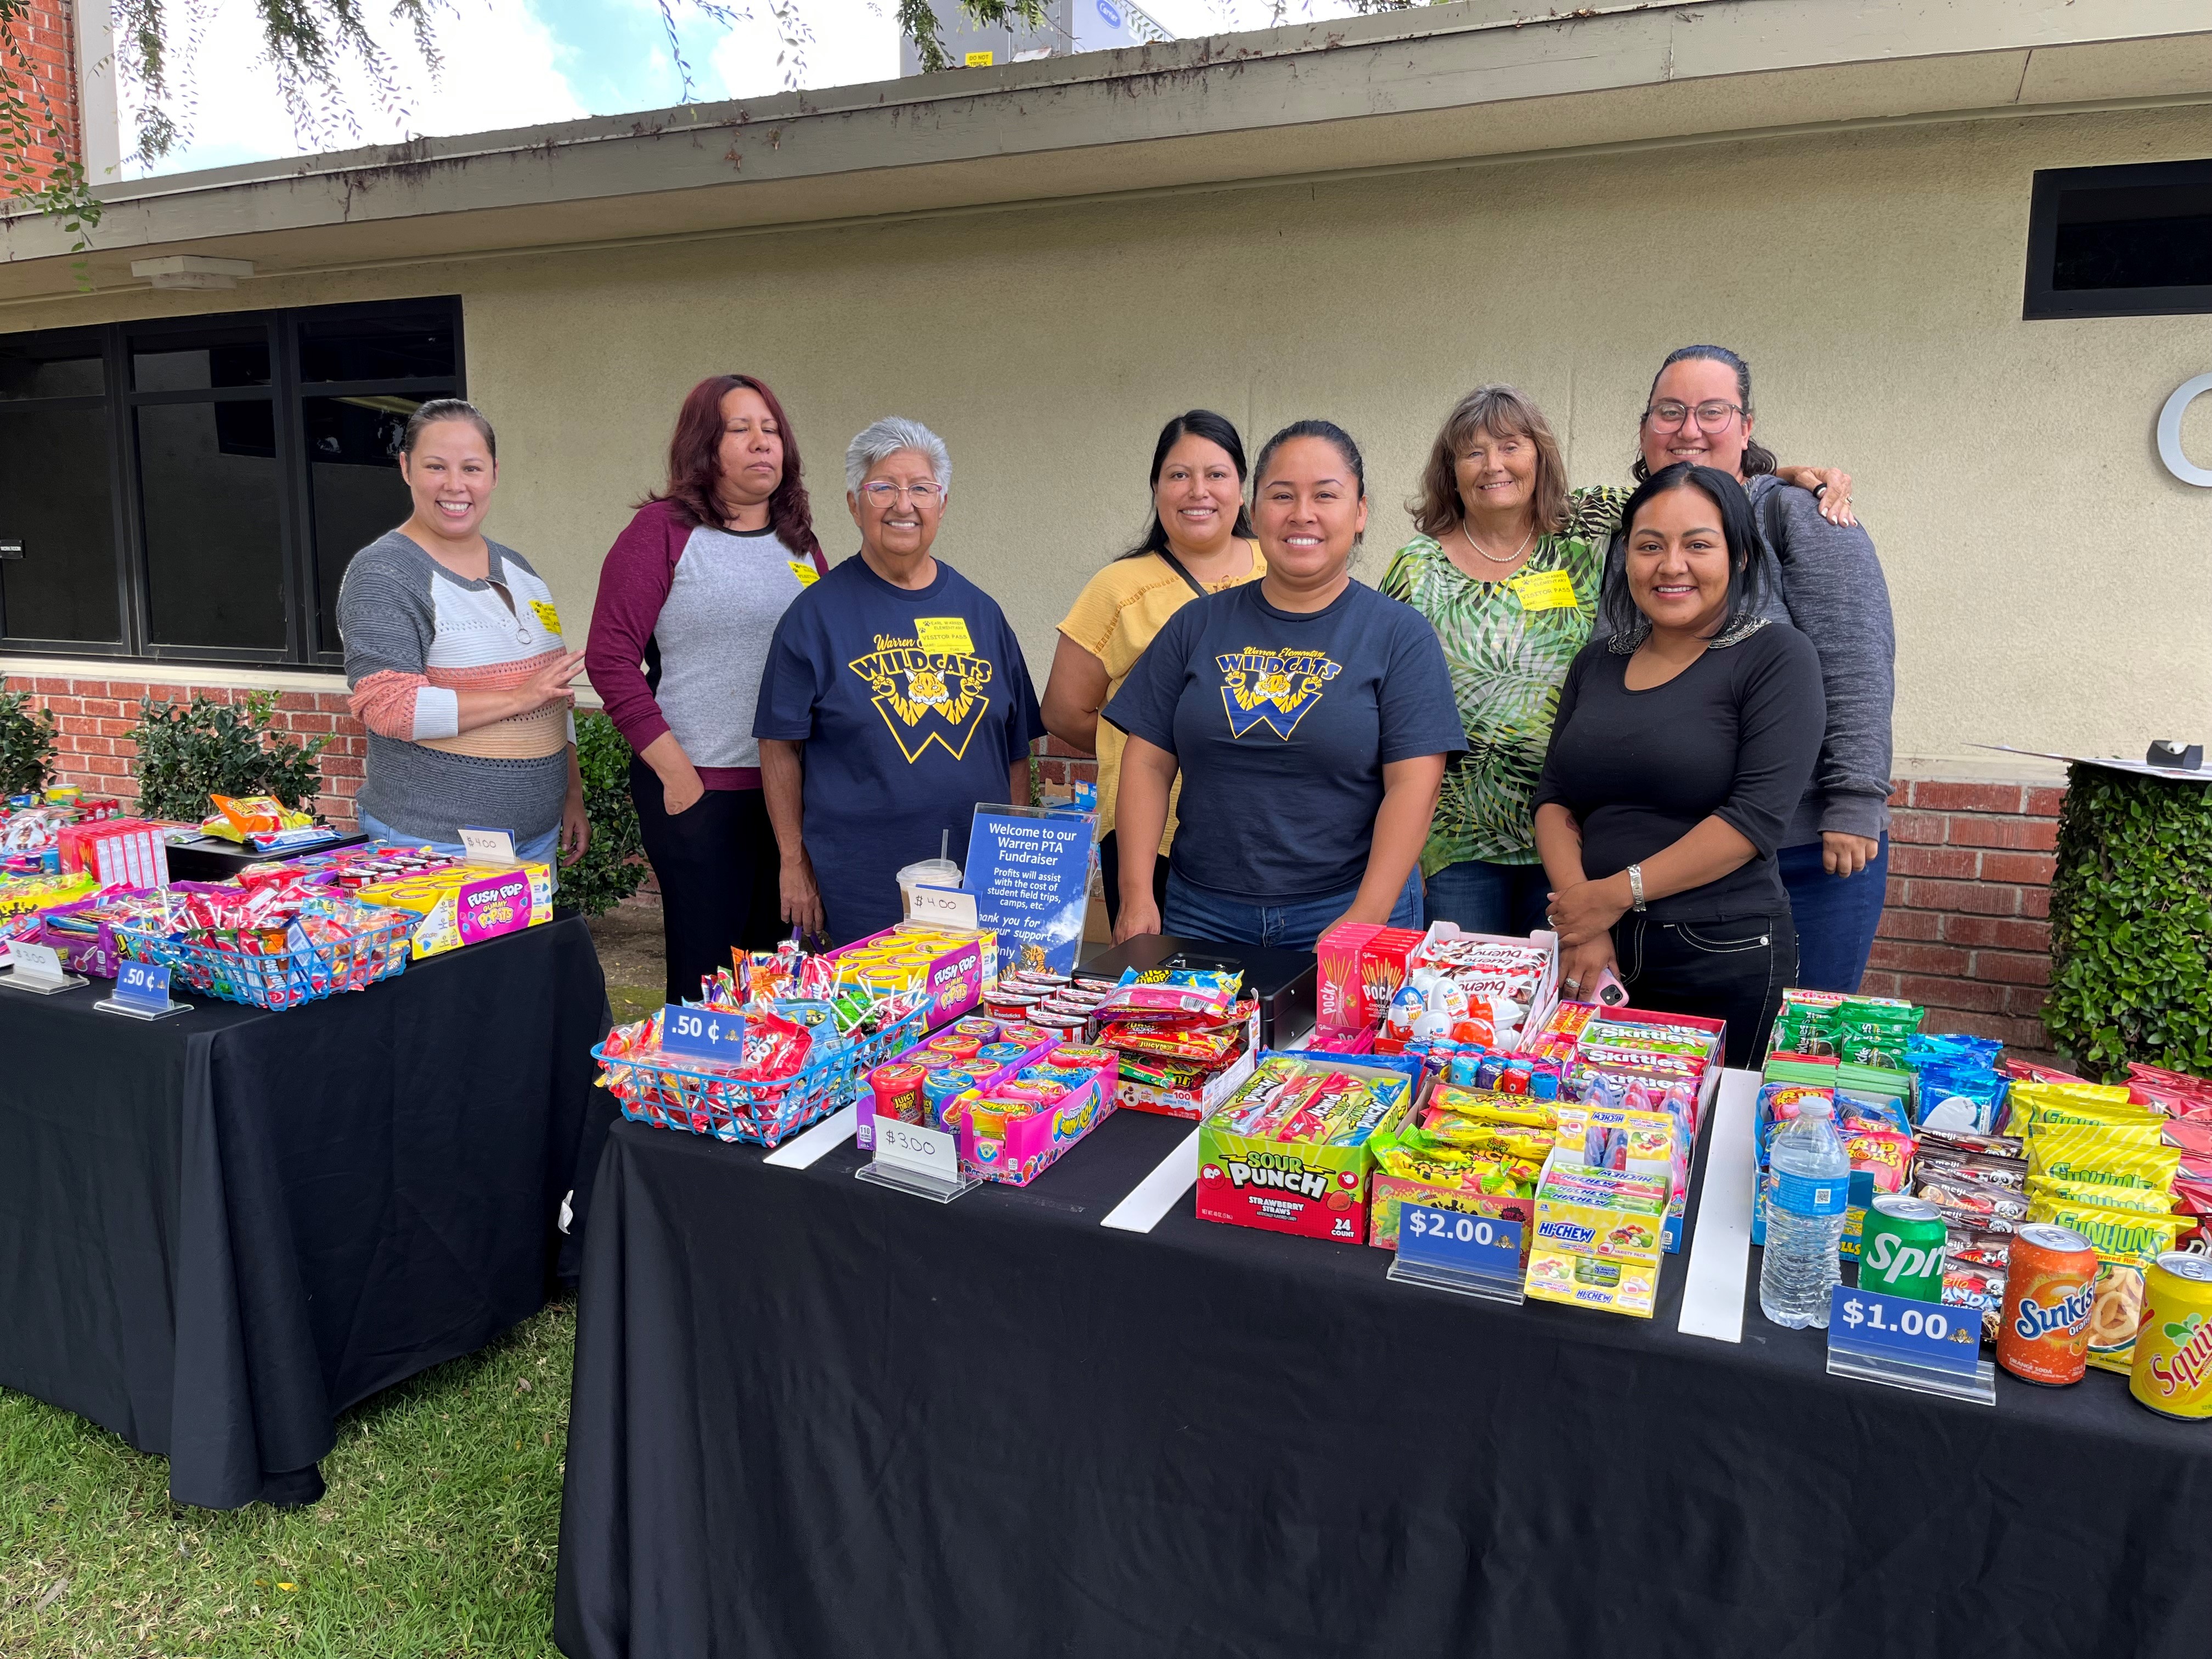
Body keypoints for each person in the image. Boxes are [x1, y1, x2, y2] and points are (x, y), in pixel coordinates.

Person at [1384, 384, 1857, 942]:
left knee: (1566, 996)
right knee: (1471, 1006)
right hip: (1458, 837)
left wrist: (1790, 482)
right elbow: (1388, 710)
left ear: (1540, 457)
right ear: (1451, 469)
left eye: (1511, 446)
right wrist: (1399, 845)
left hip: (1573, 832)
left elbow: (1693, 489)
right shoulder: (1418, 566)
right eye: (1473, 452)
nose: (1495, 465)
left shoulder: (1585, 528)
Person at [1104, 420, 1466, 952]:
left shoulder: (1399, 635)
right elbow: (1147, 762)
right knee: (1186, 1040)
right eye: (1282, 495)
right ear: (1253, 510)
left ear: (1360, 511)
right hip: (1201, 912)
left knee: (1346, 1042)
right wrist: (1136, 895)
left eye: (1326, 495)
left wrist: (1365, 916)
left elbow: (1415, 785)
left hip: (1350, 905)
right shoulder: (1195, 626)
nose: (1303, 514)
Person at [1533, 463, 1825, 1069]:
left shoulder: (1775, 657)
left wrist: (1612, 896)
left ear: (1740, 556)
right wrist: (1585, 920)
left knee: (1708, 1147)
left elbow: (1753, 820)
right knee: (1593, 1145)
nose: (1671, 565)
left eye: (1698, 544)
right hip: (1597, 949)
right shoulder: (1597, 662)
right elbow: (1555, 797)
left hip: (1719, 952)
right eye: (1649, 546)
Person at [1625, 345, 1895, 992]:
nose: (1689, 429)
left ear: (1746, 429)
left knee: (1800, 1057)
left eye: (1712, 412)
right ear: (1645, 430)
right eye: (1671, 411)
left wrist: (1854, 801)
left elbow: (1857, 662)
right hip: (1674, 856)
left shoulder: (1807, 517)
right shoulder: (1628, 529)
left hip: (1804, 851)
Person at [753, 417, 1042, 945]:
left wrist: (1012, 859)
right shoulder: (814, 617)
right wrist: (793, 863)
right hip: (856, 885)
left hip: (972, 883)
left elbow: (1015, 749)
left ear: (943, 504)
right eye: (882, 487)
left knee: (973, 1022)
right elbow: (777, 748)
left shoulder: (983, 615)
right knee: (865, 1021)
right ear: (853, 503)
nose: (903, 504)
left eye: (921, 489)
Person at [586, 374, 828, 1004]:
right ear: (703, 445)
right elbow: (610, 660)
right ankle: (695, 1097)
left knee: (780, 976)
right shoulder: (662, 532)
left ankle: (772, 1096)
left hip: (790, 796)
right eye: (739, 429)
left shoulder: (797, 541)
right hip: (700, 789)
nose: (761, 443)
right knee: (708, 979)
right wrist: (679, 776)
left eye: (771, 429)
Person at [339, 399, 589, 871]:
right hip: (433, 845)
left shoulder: (522, 571)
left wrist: (570, 794)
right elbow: (388, 705)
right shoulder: (384, 573)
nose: (456, 485)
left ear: (494, 473)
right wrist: (518, 698)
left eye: (471, 468)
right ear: (406, 468)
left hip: (534, 840)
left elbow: (555, 696)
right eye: (436, 466)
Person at [1040, 410, 1267, 928]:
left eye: (1216, 474)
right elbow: (1063, 711)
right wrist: (1146, 746)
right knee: (1162, 998)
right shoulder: (1118, 587)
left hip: (1263, 829)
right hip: (1153, 839)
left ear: (1241, 487)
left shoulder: (1279, 568)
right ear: (1156, 487)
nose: (1198, 491)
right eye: (1178, 475)